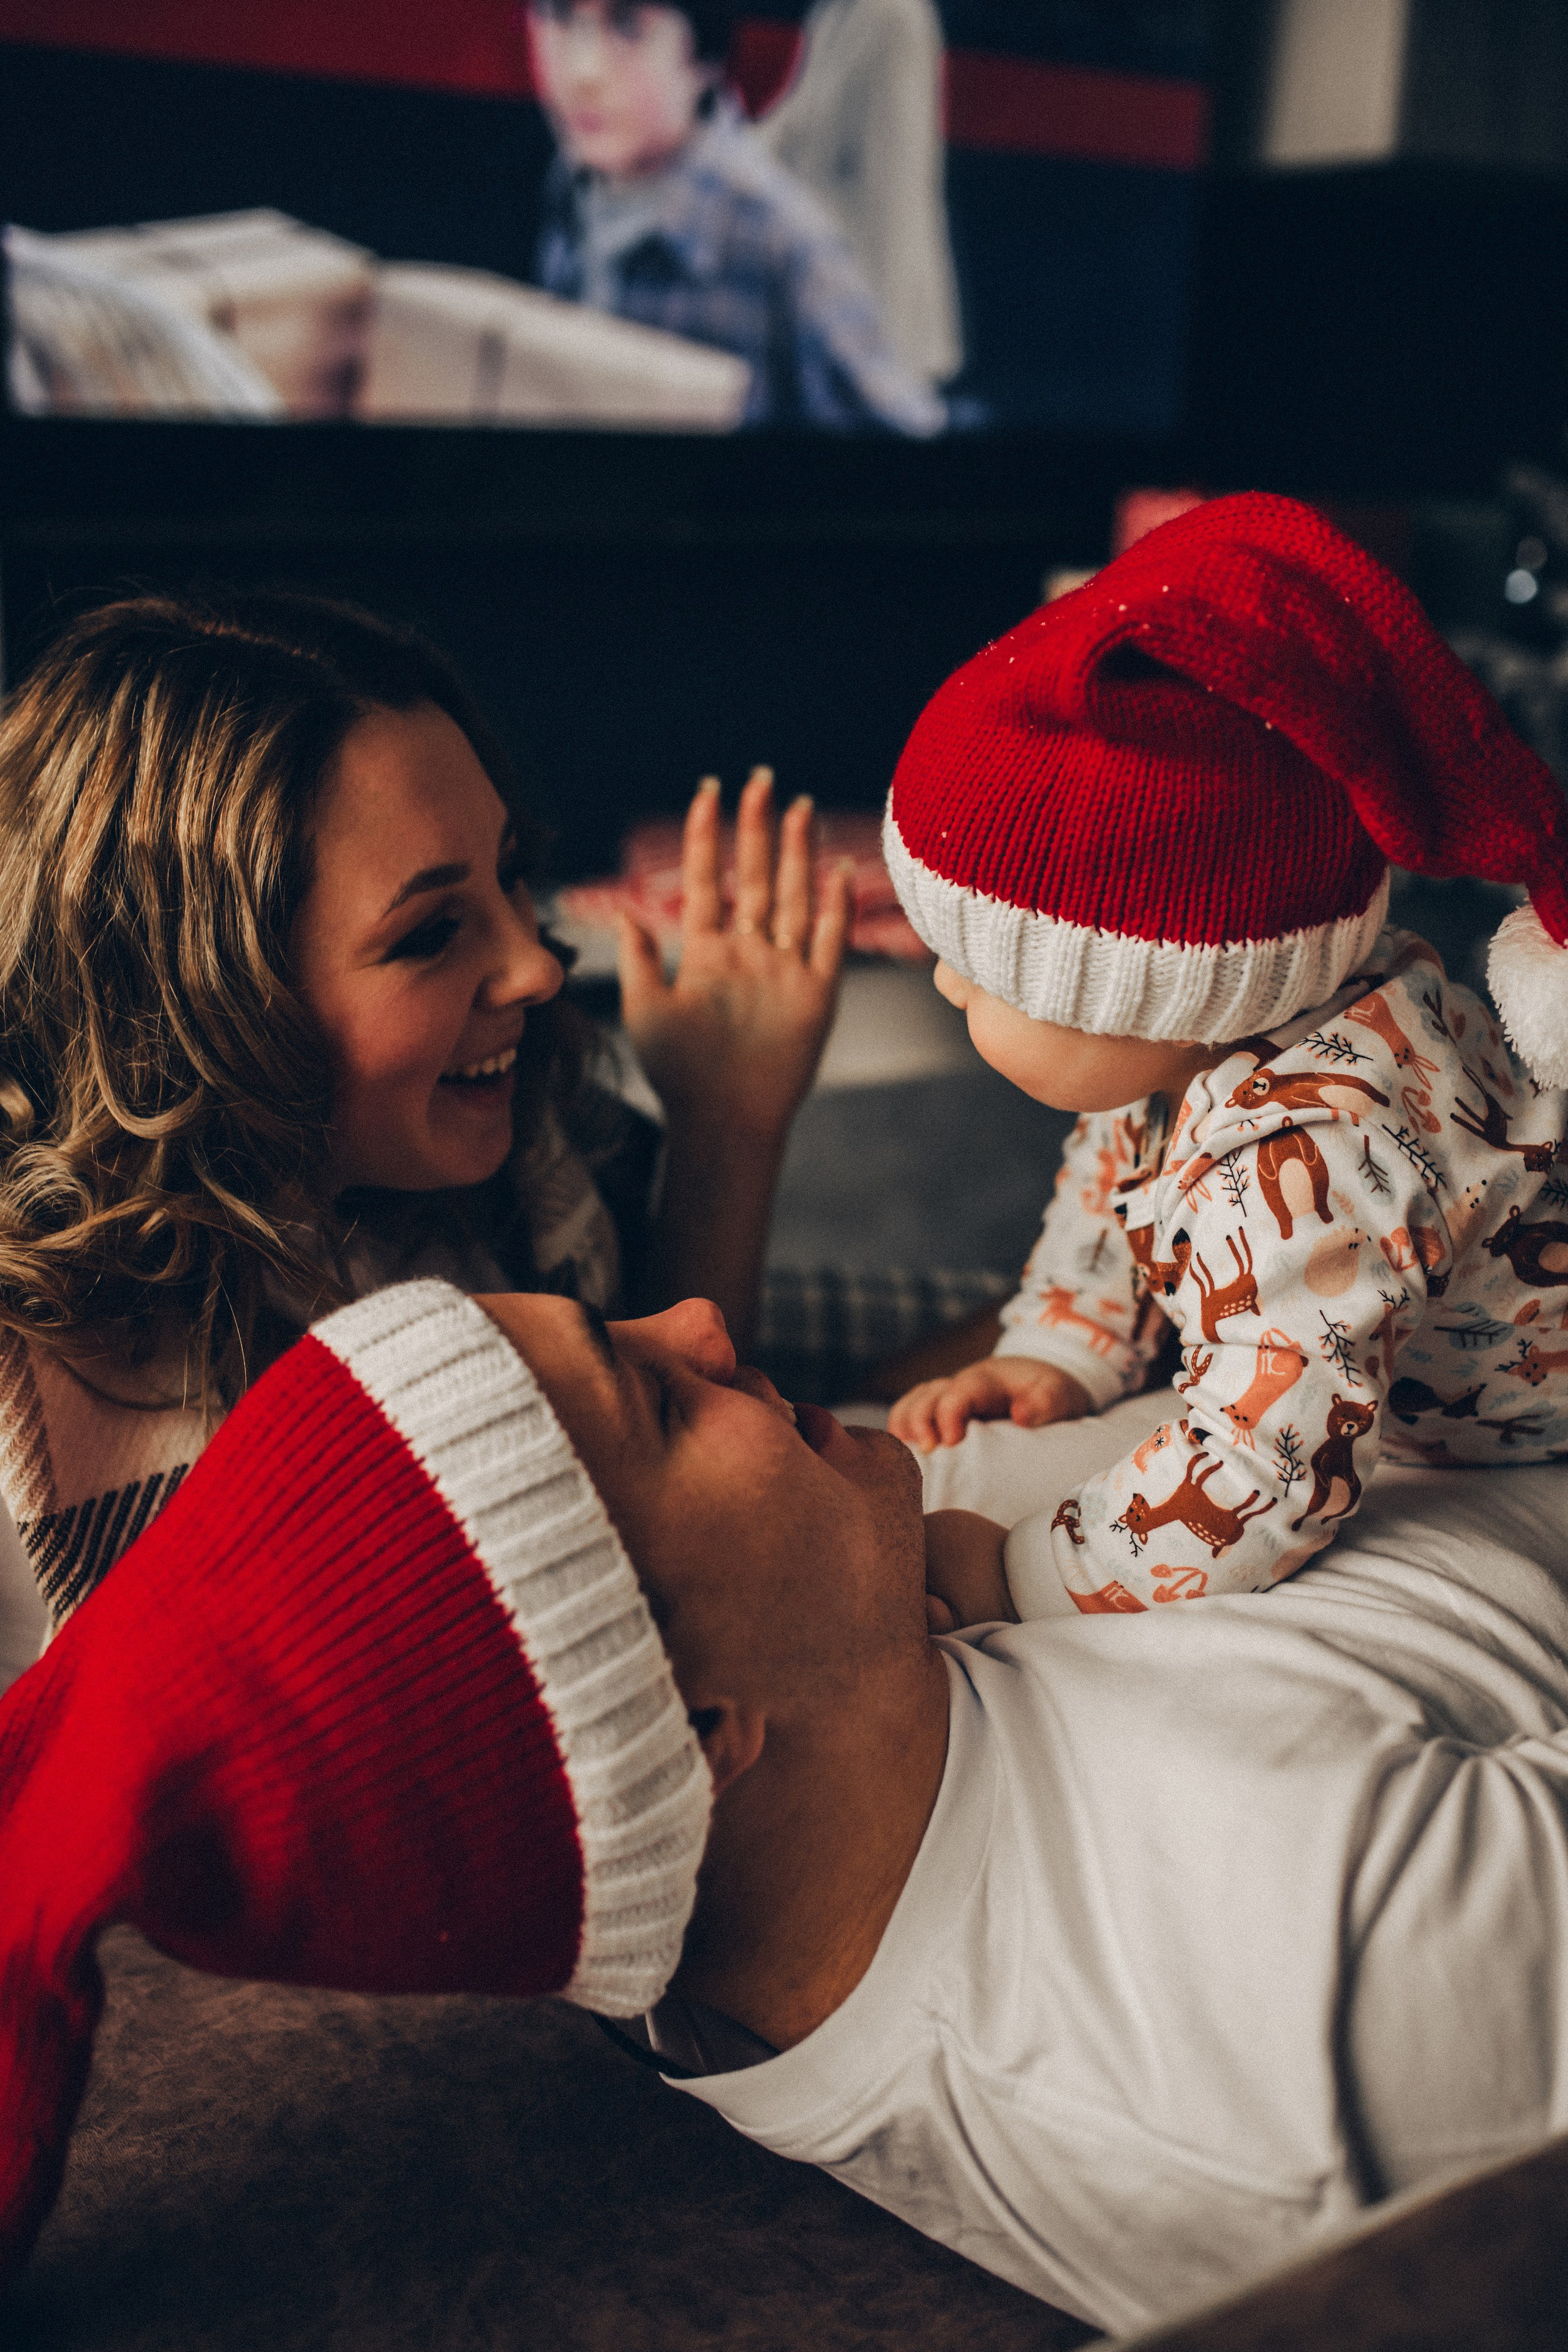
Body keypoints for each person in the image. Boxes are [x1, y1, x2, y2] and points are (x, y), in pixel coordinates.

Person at [4, 1275, 1568, 2338]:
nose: (699, 1313)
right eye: (660, 1401)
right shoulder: (1289, 1995)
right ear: (688, 1734)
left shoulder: (836, 1649)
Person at [0, 590, 848, 1629]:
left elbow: (698, 1435)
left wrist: (728, 1126)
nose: (538, 966)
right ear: (205, 1006)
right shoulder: (78, 1437)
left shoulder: (520, 1164)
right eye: (431, 931)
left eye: (512, 876)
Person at [880, 492, 1568, 1618]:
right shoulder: (1198, 1041)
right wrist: (1062, 1348)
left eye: (989, 971)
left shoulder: (1314, 1162)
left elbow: (1271, 1465)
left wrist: (1026, 1573)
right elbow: (1116, 1183)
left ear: (1176, 989)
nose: (947, 984)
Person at [526, 0, 945, 432]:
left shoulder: (783, 247)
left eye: (630, 25)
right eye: (556, 15)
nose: (584, 71)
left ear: (704, 56)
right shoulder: (571, 188)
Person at [756, 0, 963, 391]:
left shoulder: (890, 15)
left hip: (873, 287)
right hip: (840, 283)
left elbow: (890, 183)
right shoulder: (836, 13)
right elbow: (794, 126)